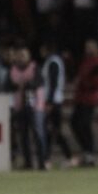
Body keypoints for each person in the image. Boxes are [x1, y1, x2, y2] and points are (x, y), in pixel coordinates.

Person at [70, 39, 98, 167]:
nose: (88, 50)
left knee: (85, 124)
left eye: (91, 47)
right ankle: (86, 151)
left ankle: (89, 153)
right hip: (80, 97)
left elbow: (97, 78)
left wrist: (85, 81)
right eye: (87, 47)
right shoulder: (85, 62)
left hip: (89, 98)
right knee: (75, 123)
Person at [9, 42, 46, 170]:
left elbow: (39, 82)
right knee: (23, 135)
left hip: (35, 105)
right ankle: (28, 162)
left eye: (24, 55)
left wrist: (25, 84)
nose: (21, 58)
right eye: (19, 55)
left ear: (28, 56)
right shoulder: (13, 69)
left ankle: (42, 162)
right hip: (20, 105)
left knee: (38, 133)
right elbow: (8, 85)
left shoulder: (35, 67)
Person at [40, 40, 73, 168]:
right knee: (51, 131)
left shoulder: (53, 62)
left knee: (54, 130)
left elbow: (52, 84)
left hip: (53, 101)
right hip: (54, 100)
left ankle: (67, 156)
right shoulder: (54, 61)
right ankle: (48, 158)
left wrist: (49, 102)